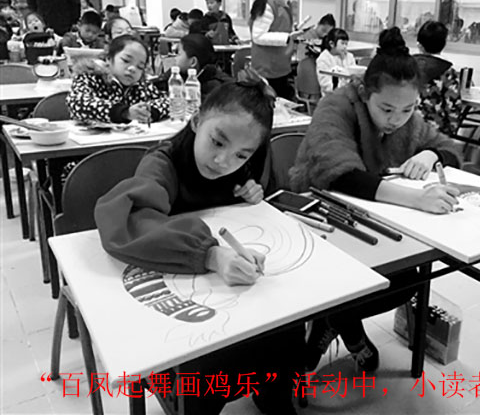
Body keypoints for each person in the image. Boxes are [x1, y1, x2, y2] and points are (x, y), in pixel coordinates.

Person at [94, 69, 303, 415]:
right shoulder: (162, 164)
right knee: (210, 367)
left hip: (234, 299)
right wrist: (210, 254)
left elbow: (262, 208)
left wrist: (252, 196)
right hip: (177, 312)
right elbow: (127, 221)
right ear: (195, 121)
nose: (223, 161)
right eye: (217, 142)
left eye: (241, 155)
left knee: (287, 330)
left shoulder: (244, 169)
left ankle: (272, 395)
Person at [289, 27, 462, 373]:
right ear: (366, 93)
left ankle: (334, 320)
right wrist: (415, 199)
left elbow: (449, 149)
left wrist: (431, 154)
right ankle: (340, 323)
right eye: (386, 109)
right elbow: (341, 175)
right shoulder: (336, 106)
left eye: (407, 109)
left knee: (407, 279)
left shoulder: (406, 118)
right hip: (318, 213)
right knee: (341, 279)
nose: (396, 120)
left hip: (370, 213)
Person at [67, 34, 169, 124]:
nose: (132, 69)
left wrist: (150, 112)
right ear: (109, 58)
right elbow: (77, 102)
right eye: (126, 60)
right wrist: (124, 113)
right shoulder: (90, 76)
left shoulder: (141, 86)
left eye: (140, 67)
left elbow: (168, 101)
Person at [249, 0, 307, 101]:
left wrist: (293, 30)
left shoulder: (284, 1)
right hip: (267, 70)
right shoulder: (268, 3)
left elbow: (277, 27)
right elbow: (258, 36)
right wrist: (287, 37)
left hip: (280, 67)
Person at [414, 20, 462, 135]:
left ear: (419, 45)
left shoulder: (406, 67)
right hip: (436, 132)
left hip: (406, 127)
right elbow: (453, 105)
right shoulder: (448, 72)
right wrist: (451, 130)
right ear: (444, 44)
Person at [154, 33, 232, 99]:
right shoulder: (178, 74)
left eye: (179, 54)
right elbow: (158, 85)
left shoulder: (215, 87)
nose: (175, 58)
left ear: (193, 62)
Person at [315, 27, 357, 96]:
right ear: (332, 44)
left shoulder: (349, 56)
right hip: (330, 96)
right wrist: (343, 83)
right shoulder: (323, 59)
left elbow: (354, 76)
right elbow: (326, 86)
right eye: (342, 43)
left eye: (346, 44)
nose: (345, 47)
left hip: (348, 94)